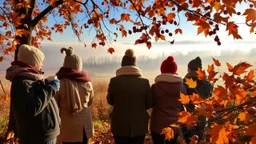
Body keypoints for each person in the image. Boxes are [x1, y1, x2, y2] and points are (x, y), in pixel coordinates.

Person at [5, 44, 61, 144]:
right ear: (32, 63)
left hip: (45, 134)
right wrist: (51, 88)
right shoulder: (22, 82)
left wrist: (47, 86)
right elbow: (32, 107)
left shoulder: (30, 78)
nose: (42, 65)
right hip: (38, 137)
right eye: (40, 62)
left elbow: (38, 97)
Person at [107, 49, 152, 144]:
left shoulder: (114, 81)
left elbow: (110, 101)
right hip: (139, 126)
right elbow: (149, 104)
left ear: (122, 64)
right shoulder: (145, 82)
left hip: (119, 125)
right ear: (135, 65)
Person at [54, 47, 94, 144]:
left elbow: (55, 105)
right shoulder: (87, 83)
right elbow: (90, 102)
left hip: (66, 128)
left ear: (65, 65)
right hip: (84, 127)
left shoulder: (59, 83)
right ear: (79, 66)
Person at [150, 56, 186, 144]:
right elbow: (182, 106)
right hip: (174, 125)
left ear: (162, 70)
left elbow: (150, 103)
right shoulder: (182, 87)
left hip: (157, 125)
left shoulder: (156, 87)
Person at [182, 56, 213, 143]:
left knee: (189, 139)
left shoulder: (185, 82)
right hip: (203, 116)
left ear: (190, 69)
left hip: (189, 116)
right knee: (200, 138)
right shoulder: (208, 83)